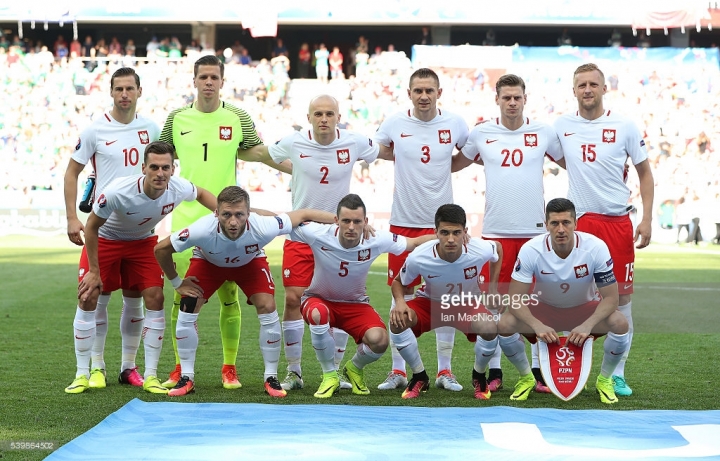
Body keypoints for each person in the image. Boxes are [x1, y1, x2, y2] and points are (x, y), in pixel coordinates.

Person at [238, 94, 379, 392]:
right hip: (301, 233)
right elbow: (263, 153)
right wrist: (231, 149)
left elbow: (384, 150)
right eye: (318, 114)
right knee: (293, 299)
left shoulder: (354, 142)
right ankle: (294, 371)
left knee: (340, 300)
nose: (324, 119)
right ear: (309, 118)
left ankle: (336, 372)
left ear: (338, 117)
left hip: (339, 238)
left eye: (329, 113)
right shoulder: (295, 141)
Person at [153, 186, 336, 397]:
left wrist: (339, 220)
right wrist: (177, 282)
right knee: (188, 304)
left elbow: (303, 214)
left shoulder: (264, 225)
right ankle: (187, 377)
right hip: (209, 263)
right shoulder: (202, 229)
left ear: (249, 213)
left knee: (268, 305)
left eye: (239, 215)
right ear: (216, 213)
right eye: (226, 215)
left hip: (249, 263)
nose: (233, 221)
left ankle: (271, 377)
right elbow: (161, 249)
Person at [65, 141, 216, 394]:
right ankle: (85, 372)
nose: (160, 173)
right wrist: (94, 271)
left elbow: (201, 193)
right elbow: (91, 226)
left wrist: (222, 213)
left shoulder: (178, 188)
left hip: (142, 243)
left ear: (173, 169)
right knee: (88, 296)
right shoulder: (118, 191)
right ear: (143, 168)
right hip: (106, 240)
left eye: (165, 167)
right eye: (154, 167)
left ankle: (147, 375)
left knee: (155, 297)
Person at [159, 55, 272, 391]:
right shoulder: (176, 118)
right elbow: (161, 160)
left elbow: (257, 151)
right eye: (203, 76)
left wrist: (298, 165)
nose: (208, 82)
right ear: (194, 80)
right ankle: (179, 369)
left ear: (222, 81)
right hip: (186, 219)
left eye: (214, 77)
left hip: (228, 220)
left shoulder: (237, 117)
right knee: (182, 297)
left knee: (229, 297)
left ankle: (229, 368)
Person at [451, 74, 564, 394]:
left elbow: (572, 161)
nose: (512, 102)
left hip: (534, 234)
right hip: (496, 233)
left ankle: (540, 372)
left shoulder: (543, 132)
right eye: (506, 97)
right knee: (495, 306)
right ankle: (495, 370)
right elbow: (454, 164)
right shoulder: (481, 133)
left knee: (537, 305)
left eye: (517, 97)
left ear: (525, 99)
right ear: (497, 100)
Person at [554, 63, 654, 397]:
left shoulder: (624, 126)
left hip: (616, 223)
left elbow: (645, 173)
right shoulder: (562, 126)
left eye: (593, 84)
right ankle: (568, 368)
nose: (587, 89)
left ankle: (615, 374)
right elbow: (559, 158)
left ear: (603, 88)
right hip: (580, 225)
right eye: (581, 84)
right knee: (570, 296)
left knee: (622, 299)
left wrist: (646, 219)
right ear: (574, 90)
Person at [63, 67, 160, 392]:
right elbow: (71, 173)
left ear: (139, 91)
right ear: (111, 92)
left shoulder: (151, 129)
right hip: (104, 232)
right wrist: (72, 218)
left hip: (142, 235)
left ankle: (128, 367)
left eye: (130, 88)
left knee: (137, 299)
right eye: (119, 88)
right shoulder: (95, 130)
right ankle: (93, 368)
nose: (124, 94)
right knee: (93, 296)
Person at [374, 67, 470, 392]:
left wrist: (445, 167)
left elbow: (468, 154)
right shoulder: (394, 123)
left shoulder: (455, 123)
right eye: (418, 90)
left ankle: (445, 370)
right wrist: (401, 157)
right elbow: (379, 148)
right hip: (403, 223)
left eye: (430, 90)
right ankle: (398, 370)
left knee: (444, 297)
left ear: (439, 93)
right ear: (409, 94)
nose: (424, 96)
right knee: (399, 293)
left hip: (443, 226)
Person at [290, 194, 435, 398]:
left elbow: (414, 243)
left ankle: (353, 368)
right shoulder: (318, 233)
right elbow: (280, 223)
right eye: (346, 221)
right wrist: (250, 216)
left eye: (357, 221)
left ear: (365, 222)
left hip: (355, 304)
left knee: (380, 340)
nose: (351, 227)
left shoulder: (376, 239)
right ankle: (330, 375)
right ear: (336, 220)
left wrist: (448, 237)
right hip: (318, 299)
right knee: (318, 313)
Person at [495, 198, 629, 404]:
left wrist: (588, 325)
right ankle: (526, 378)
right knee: (505, 323)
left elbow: (611, 298)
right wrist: (537, 325)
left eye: (566, 222)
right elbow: (514, 298)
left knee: (620, 323)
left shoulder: (595, 247)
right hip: (545, 310)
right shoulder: (532, 249)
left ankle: (604, 380)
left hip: (584, 310)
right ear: (546, 224)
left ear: (575, 223)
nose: (560, 229)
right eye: (555, 223)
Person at [390, 204, 502, 400]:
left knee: (489, 327)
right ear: (436, 232)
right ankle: (419, 376)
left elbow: (497, 248)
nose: (450, 239)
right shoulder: (419, 256)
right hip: (430, 304)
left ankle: (479, 376)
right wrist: (400, 302)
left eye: (456, 233)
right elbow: (398, 282)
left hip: (466, 304)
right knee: (398, 322)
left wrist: (493, 287)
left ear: (465, 232)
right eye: (444, 233)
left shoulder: (479, 249)